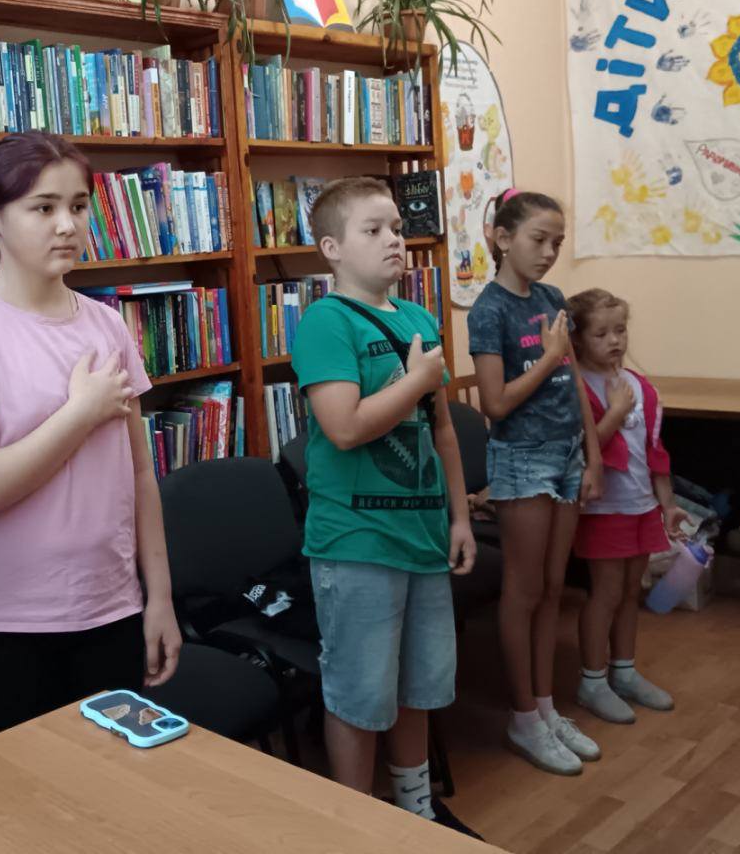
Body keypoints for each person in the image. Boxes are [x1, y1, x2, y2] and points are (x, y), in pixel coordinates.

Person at [0, 132, 181, 742]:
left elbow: (140, 473)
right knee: (27, 794)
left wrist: (160, 598)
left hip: (110, 607)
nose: (67, 224)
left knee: (111, 783)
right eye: (43, 207)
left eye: (78, 206)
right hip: (2, 624)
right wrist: (79, 414)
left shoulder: (107, 325)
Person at [290, 176, 478, 837]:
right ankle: (356, 826)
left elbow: (442, 429)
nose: (394, 239)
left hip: (422, 536)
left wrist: (459, 517)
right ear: (332, 249)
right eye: (373, 230)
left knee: (419, 685)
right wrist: (418, 378)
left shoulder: (419, 320)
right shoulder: (325, 322)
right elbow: (344, 427)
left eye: (396, 226)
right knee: (360, 694)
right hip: (357, 542)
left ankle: (414, 806)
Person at [466, 188, 603, 777]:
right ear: (503, 238)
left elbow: (573, 384)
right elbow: (495, 404)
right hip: (522, 460)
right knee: (522, 591)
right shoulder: (488, 310)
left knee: (552, 586)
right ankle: (522, 716)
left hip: (566, 454)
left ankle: (545, 708)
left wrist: (592, 455)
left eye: (558, 243)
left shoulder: (551, 299)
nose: (549, 253)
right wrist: (546, 358)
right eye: (539, 240)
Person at [568, 287, 688, 723]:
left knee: (631, 591)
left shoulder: (641, 386)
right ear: (577, 338)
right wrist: (616, 412)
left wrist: (667, 505)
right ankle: (592, 681)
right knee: (606, 593)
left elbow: (656, 452)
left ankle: (625, 671)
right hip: (603, 511)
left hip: (641, 507)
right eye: (601, 334)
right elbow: (584, 449)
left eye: (620, 330)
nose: (614, 340)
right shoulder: (576, 386)